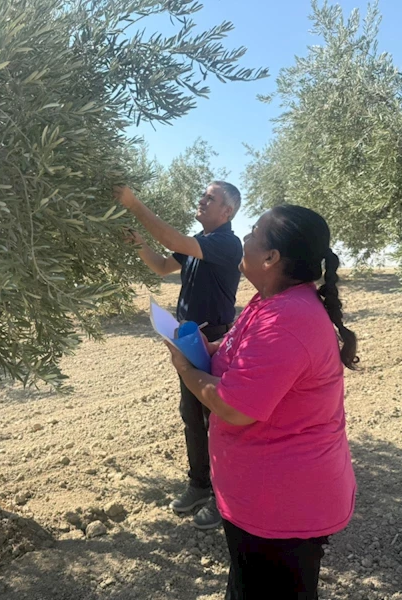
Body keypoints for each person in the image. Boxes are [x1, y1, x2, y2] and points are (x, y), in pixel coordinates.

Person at [162, 204, 358, 599]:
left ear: (271, 258)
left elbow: (234, 406)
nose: (244, 240)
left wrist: (186, 368)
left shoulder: (287, 319)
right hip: (262, 500)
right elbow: (239, 357)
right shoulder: (267, 303)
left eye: (252, 233)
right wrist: (207, 347)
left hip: (283, 509)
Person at [115, 182, 243, 530]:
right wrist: (138, 244)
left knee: (215, 419)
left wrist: (134, 204)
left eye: (210, 198)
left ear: (227, 212)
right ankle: (199, 485)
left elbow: (172, 243)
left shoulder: (226, 244)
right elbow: (160, 266)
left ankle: (224, 496)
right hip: (189, 338)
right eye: (203, 195)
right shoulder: (198, 244)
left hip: (213, 339)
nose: (202, 201)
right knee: (191, 415)